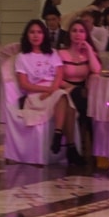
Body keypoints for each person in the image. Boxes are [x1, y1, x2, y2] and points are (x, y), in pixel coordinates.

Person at [14, 19, 77, 163]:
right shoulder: (22, 57)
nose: (36, 35)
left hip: (53, 91)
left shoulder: (52, 53)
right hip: (36, 94)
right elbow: (24, 84)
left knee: (63, 98)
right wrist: (47, 90)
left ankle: (58, 134)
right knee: (66, 102)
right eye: (32, 32)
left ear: (44, 35)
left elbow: (59, 75)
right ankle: (70, 146)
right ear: (27, 35)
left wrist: (51, 90)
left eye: (39, 32)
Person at [57, 20, 99, 166]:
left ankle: (89, 149)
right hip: (64, 89)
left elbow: (96, 70)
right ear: (69, 34)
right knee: (83, 100)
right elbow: (57, 79)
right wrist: (71, 87)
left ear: (86, 34)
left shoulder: (88, 54)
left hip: (83, 91)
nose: (77, 34)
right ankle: (81, 147)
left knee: (89, 103)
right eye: (74, 31)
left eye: (81, 31)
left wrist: (89, 49)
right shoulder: (61, 53)